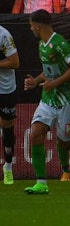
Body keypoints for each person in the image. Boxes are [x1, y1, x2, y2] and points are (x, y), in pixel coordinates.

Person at [22, 9, 70, 194]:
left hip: (69, 100)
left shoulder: (59, 43)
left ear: (37, 25)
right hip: (49, 99)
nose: (30, 28)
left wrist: (55, 83)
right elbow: (49, 72)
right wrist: (35, 82)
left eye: (31, 25)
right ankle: (41, 183)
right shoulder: (42, 45)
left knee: (64, 142)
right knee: (36, 134)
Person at [0, 21, 19, 185]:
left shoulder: (3, 35)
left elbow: (15, 62)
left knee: (7, 128)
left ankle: (7, 167)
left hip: (5, 89)